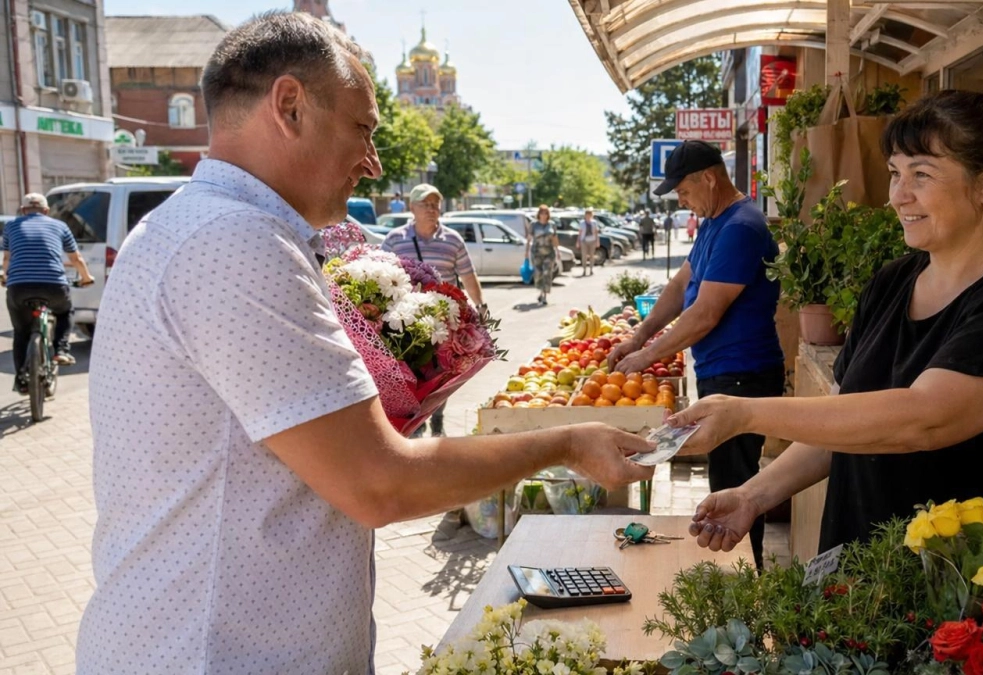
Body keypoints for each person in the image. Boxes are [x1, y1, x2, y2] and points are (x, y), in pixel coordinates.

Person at [76, 14, 653, 674]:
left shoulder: (207, 228)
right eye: (363, 129)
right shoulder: (232, 243)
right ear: (289, 106)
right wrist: (565, 440)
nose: (374, 162)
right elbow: (379, 483)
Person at [671, 90, 983, 557]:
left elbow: (922, 420)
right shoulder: (893, 282)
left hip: (973, 602)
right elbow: (845, 423)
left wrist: (745, 414)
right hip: (862, 588)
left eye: (922, 175)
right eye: (895, 173)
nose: (898, 196)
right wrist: (753, 495)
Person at [608, 140, 784, 568]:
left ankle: (744, 577)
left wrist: (644, 358)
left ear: (709, 178)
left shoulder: (741, 226)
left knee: (737, 489)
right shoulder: (713, 222)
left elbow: (705, 313)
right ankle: (733, 573)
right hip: (723, 375)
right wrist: (638, 337)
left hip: (743, 378)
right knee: (726, 482)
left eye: (683, 190)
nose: (681, 200)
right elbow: (679, 287)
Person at [382, 182, 486, 437]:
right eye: (425, 204)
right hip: (404, 327)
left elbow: (468, 276)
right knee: (412, 378)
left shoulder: (452, 239)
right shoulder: (395, 239)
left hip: (444, 323)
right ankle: (416, 427)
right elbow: (381, 278)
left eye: (435, 205)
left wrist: (481, 307)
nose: (431, 209)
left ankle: (437, 418)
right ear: (412, 207)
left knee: (441, 376)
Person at [1, 193, 94, 392]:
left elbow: (7, 260)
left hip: (19, 287)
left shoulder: (11, 226)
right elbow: (76, 258)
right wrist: (86, 277)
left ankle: (21, 380)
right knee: (64, 311)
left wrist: (4, 276)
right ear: (46, 211)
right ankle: (61, 350)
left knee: (21, 332)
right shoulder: (60, 226)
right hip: (54, 285)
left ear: (23, 210)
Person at [525, 204, 558, 305]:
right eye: (542, 213)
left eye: (546, 213)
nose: (544, 215)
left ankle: (544, 295)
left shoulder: (552, 224)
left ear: (548, 215)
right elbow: (529, 239)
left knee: (547, 273)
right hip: (536, 253)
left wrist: (558, 251)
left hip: (549, 253)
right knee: (538, 274)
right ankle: (540, 291)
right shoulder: (534, 225)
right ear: (538, 214)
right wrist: (526, 252)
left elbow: (555, 239)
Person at [577, 207, 600, 276]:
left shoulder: (594, 222)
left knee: (591, 256)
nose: (588, 216)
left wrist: (597, 241)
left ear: (591, 215)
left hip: (592, 240)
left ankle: (591, 269)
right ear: (585, 215)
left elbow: (596, 232)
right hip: (584, 241)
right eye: (587, 214)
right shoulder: (582, 223)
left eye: (590, 214)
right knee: (584, 256)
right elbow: (580, 233)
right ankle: (584, 270)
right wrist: (578, 242)